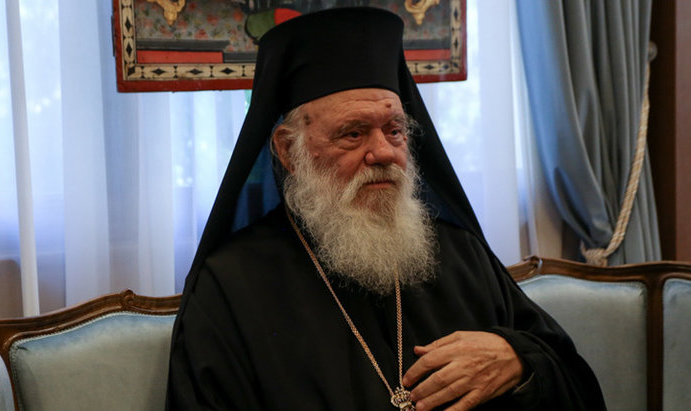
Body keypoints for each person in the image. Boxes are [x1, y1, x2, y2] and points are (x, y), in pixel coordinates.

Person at [166, 7, 606, 411]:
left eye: (394, 130)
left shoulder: (458, 254)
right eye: (353, 134)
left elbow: (574, 380)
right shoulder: (231, 286)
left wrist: (516, 360)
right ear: (288, 151)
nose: (382, 152)